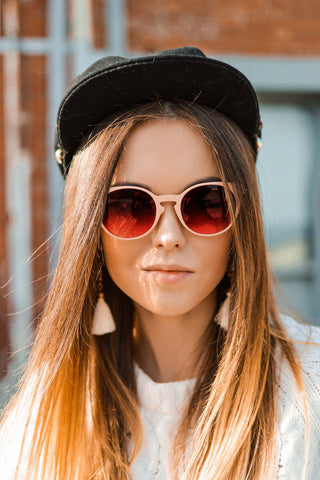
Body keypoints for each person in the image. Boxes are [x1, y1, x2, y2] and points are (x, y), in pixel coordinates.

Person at [0, 46, 319, 480]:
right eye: (130, 205)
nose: (169, 237)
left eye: (207, 203)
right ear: (89, 223)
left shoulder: (310, 390)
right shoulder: (41, 417)